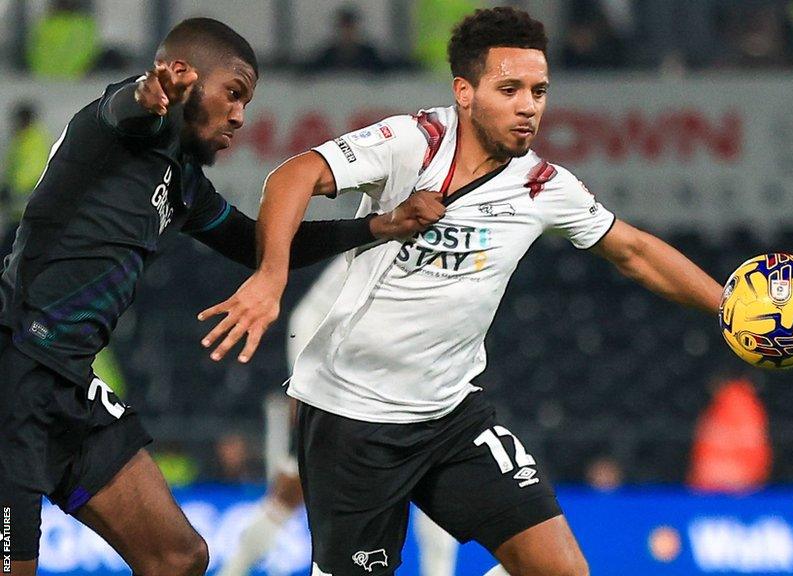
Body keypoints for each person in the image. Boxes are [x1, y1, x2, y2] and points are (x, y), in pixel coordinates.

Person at [203, 7, 722, 575]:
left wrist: (726, 307)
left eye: (539, 90)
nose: (529, 106)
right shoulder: (412, 143)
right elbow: (293, 175)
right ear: (465, 92)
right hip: (351, 420)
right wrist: (271, 275)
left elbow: (635, 252)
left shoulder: (544, 186)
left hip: (450, 414)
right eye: (510, 89)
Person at [0, 17, 443, 576]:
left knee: (180, 558)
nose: (239, 115)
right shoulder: (117, 124)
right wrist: (148, 92)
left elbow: (258, 243)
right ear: (182, 76)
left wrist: (378, 226)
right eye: (233, 93)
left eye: (247, 101)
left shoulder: (183, 182)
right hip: (13, 371)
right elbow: (127, 106)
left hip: (66, 386)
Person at [217, 260, 459, 576]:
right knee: (292, 490)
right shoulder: (386, 244)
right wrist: (307, 386)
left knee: (431, 472)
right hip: (338, 374)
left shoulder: (446, 249)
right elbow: (309, 317)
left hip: (389, 373)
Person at [1, 102, 51, 257]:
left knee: (9, 254)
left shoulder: (33, 142)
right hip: (20, 213)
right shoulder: (22, 141)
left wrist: (9, 191)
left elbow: (30, 174)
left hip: (27, 213)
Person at [303, 7, 388, 74]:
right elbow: (310, 69)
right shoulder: (328, 56)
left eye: (350, 28)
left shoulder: (369, 55)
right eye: (344, 27)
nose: (347, 32)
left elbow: (385, 69)